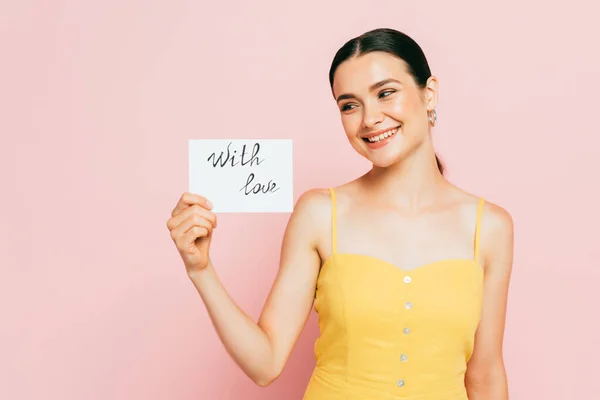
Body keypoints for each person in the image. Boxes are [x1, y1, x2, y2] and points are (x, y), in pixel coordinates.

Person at [166, 28, 514, 400]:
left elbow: (485, 374)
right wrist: (200, 270)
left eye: (385, 93)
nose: (369, 119)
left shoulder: (489, 226)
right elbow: (265, 364)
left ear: (429, 93)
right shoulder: (319, 213)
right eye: (349, 105)